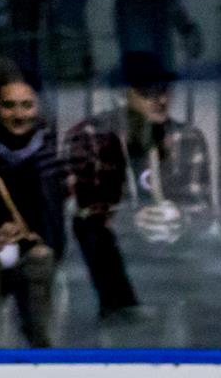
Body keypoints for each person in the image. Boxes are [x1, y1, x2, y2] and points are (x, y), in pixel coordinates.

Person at [64, 51, 211, 322]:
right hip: (115, 254)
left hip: (172, 251)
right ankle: (119, 316)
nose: (161, 99)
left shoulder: (186, 137)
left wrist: (180, 217)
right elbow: (84, 208)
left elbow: (203, 209)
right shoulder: (88, 136)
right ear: (121, 95)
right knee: (93, 236)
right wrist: (128, 219)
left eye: (165, 90)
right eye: (147, 92)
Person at [0, 65, 65, 347]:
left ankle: (41, 357)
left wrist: (36, 240)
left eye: (26, 105)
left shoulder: (48, 155)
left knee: (40, 268)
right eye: (8, 105)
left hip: (33, 253)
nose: (18, 115)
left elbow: (55, 222)